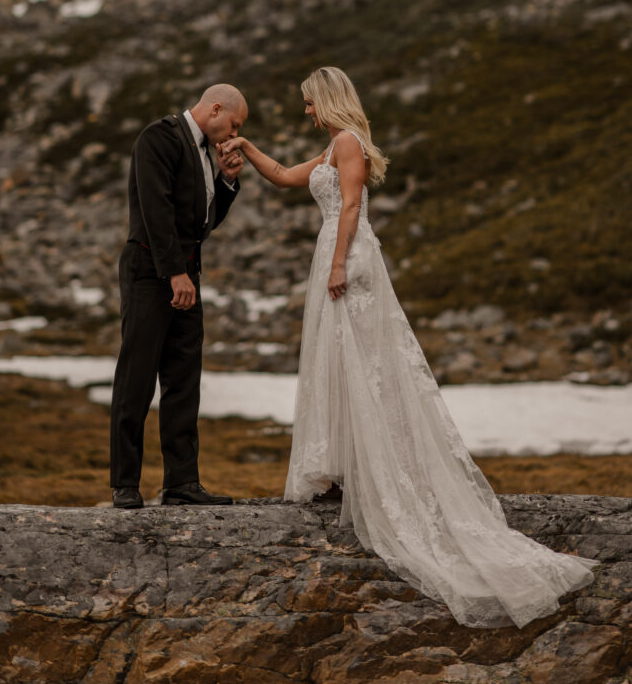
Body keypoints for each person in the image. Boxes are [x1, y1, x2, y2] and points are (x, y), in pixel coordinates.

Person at [221, 66, 597, 629]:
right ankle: (342, 466)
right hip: (335, 249)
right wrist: (246, 146)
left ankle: (368, 470)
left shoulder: (347, 143)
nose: (305, 111)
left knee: (363, 360)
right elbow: (279, 175)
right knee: (339, 359)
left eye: (307, 103)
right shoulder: (333, 146)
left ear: (325, 100)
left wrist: (341, 262)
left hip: (347, 253)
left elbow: (349, 207)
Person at [110, 84, 247, 510]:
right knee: (138, 374)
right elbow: (156, 210)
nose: (234, 133)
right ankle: (125, 483)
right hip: (152, 270)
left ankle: (182, 482)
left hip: (184, 271)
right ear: (215, 108)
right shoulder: (159, 137)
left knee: (183, 377)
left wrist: (227, 181)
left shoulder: (205, 151)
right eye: (235, 124)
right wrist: (174, 273)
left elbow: (201, 222)